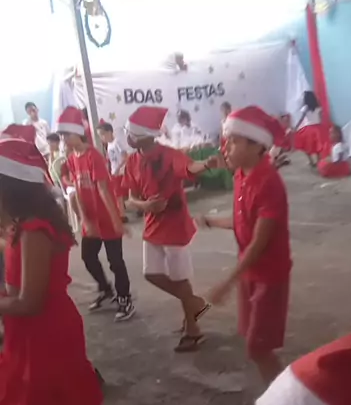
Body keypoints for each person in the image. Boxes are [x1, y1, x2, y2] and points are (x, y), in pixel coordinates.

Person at [0, 136, 104, 405]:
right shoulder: (22, 226)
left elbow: (30, 301)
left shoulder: (34, 230)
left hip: (43, 332)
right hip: (30, 332)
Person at [200, 106, 291, 386]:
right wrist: (212, 221)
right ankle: (280, 396)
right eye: (226, 140)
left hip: (268, 276)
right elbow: (243, 222)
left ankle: (285, 400)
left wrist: (226, 283)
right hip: (249, 273)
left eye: (234, 141)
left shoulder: (269, 183)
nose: (225, 147)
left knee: (258, 348)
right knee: (254, 342)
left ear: (257, 145)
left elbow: (258, 244)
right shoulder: (241, 174)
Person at [123, 106, 214, 352]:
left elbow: (190, 167)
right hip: (152, 224)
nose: (127, 138)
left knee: (179, 279)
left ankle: (193, 330)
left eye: (131, 134)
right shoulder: (132, 161)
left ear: (145, 136)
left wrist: (206, 164)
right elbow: (130, 199)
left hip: (175, 224)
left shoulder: (169, 154)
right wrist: (145, 205)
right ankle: (195, 304)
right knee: (151, 274)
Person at [56, 106, 135, 322]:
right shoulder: (72, 158)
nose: (63, 139)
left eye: (66, 135)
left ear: (77, 133)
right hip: (90, 221)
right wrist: (84, 219)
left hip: (106, 218)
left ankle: (125, 298)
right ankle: (106, 289)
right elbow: (76, 188)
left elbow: (103, 190)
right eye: (61, 135)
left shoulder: (94, 157)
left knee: (115, 261)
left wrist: (116, 221)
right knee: (88, 257)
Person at [97, 121, 129, 221]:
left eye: (102, 134)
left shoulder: (117, 143)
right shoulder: (109, 145)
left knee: (120, 194)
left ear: (109, 132)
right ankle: (121, 212)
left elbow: (125, 157)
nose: (102, 138)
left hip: (121, 172)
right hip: (114, 172)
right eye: (100, 135)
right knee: (117, 194)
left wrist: (118, 168)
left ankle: (122, 215)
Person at [293, 90, 328, 169]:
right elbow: (321, 118)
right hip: (318, 128)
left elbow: (301, 119)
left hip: (309, 128)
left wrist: (296, 127)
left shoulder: (305, 108)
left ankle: (311, 161)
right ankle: (319, 161)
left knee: (306, 146)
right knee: (317, 146)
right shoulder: (318, 107)